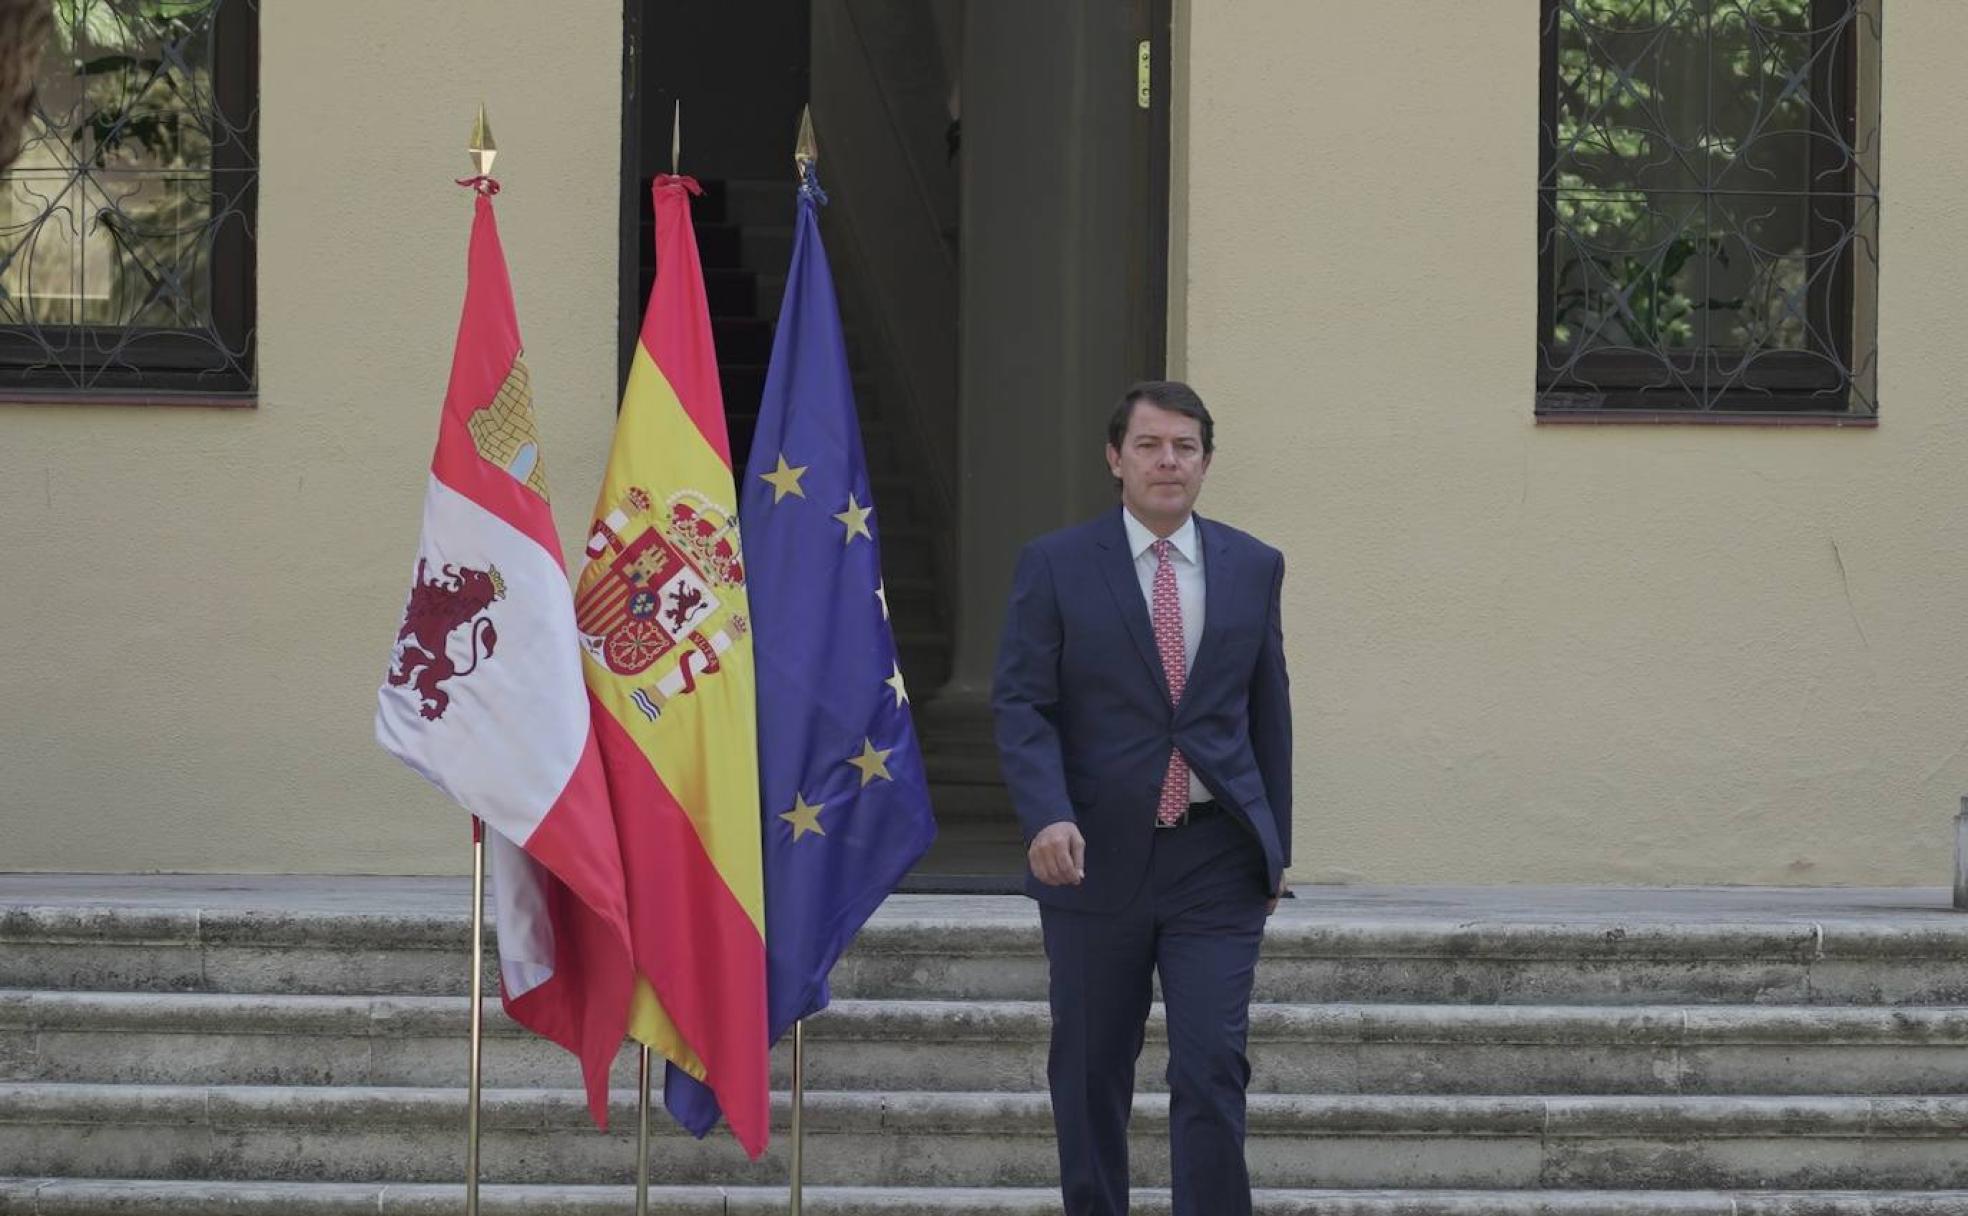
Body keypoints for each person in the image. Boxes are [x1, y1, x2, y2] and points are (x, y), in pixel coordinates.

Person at [992, 379, 1292, 1216]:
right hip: (1093, 857)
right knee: (1090, 1070)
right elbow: (1023, 702)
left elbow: (1270, 714)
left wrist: (1275, 848)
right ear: (1115, 459)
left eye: (1186, 448)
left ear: (1205, 463)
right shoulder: (1054, 565)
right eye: (1152, 445)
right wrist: (1045, 813)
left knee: (1210, 1064)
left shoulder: (1253, 565)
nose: (1169, 462)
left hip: (1216, 859)